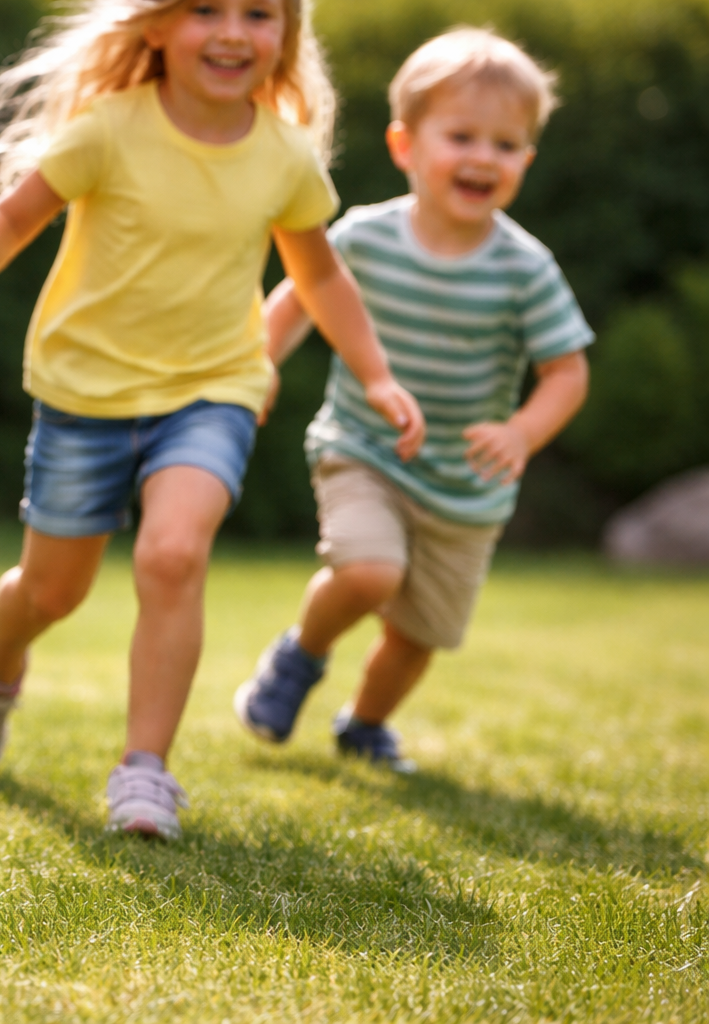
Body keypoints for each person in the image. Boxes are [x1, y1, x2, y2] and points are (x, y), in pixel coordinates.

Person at [0, 0, 424, 840]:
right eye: (205, 10)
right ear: (155, 27)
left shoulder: (284, 156)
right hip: (84, 396)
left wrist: (377, 375)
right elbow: (12, 216)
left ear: (285, 36)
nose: (232, 32)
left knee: (175, 553)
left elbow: (322, 279)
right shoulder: (108, 129)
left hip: (212, 390)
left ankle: (144, 771)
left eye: (259, 13)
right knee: (50, 591)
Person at [234, 27, 593, 772]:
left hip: (466, 489)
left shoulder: (525, 268)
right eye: (461, 135)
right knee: (370, 572)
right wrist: (258, 362)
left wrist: (523, 433)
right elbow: (302, 296)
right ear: (405, 145)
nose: (482, 158)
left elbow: (567, 371)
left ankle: (364, 724)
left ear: (526, 159)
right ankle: (300, 656)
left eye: (506, 144)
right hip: (364, 449)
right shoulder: (365, 236)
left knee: (417, 635)